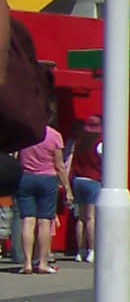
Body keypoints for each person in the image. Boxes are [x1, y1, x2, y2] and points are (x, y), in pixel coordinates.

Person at [13, 105, 67, 275]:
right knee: (45, 221)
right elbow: (59, 165)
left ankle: (27, 263)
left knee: (27, 220)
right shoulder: (55, 136)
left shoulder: (25, 133)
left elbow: (16, 156)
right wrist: (67, 188)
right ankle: (43, 263)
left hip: (25, 178)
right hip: (47, 179)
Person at [64, 114, 102, 263]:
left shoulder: (78, 142)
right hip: (93, 180)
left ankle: (80, 251)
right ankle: (91, 250)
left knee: (80, 218)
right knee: (91, 218)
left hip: (78, 181)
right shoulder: (100, 143)